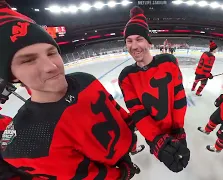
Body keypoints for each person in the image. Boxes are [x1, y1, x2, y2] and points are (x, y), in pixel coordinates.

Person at [0, 8, 139, 180]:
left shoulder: (84, 79)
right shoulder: (25, 141)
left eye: (52, 53)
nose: (51, 66)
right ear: (11, 75)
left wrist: (131, 137)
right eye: (29, 60)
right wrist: (123, 174)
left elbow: (115, 109)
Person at [118, 6, 190, 173]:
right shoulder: (126, 76)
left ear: (149, 42)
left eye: (139, 39)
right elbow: (138, 113)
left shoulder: (169, 62)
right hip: (153, 135)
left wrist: (178, 129)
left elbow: (179, 97)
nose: (134, 45)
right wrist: (157, 139)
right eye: (129, 41)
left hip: (174, 129)